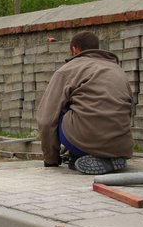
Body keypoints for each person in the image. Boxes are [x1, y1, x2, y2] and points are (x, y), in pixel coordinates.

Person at [36, 31, 133, 175]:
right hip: (120, 146)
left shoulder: (68, 70)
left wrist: (51, 159)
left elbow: (46, 120)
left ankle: (81, 155)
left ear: (75, 50)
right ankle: (110, 157)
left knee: (59, 109)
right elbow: (129, 109)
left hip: (85, 142)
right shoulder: (117, 70)